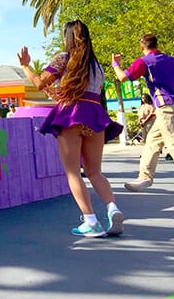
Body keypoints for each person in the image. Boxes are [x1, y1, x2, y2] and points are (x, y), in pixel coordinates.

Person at [18, 20, 124, 237]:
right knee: (95, 172)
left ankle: (91, 221)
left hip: (71, 115)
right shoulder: (97, 66)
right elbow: (89, 93)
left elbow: (39, 83)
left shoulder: (63, 59)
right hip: (95, 115)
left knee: (73, 172)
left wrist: (25, 66)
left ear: (67, 38)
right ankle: (112, 207)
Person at [112, 33, 174, 196]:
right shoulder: (172, 60)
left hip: (165, 106)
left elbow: (123, 77)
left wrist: (115, 64)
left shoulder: (143, 62)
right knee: (153, 141)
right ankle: (145, 177)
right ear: (156, 45)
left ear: (142, 47)